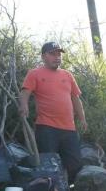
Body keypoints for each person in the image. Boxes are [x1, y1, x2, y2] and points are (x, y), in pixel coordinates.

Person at [19, 42, 87, 180]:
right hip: (46, 127)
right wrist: (24, 105)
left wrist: (82, 118)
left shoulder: (67, 75)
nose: (57, 57)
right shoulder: (35, 74)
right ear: (44, 56)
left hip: (69, 128)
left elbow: (75, 98)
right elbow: (25, 92)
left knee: (75, 163)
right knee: (49, 163)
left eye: (59, 54)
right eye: (53, 54)